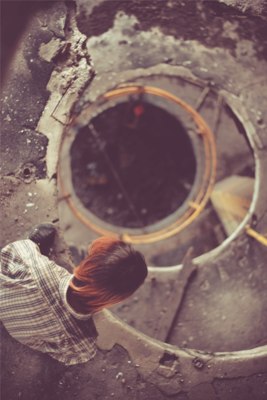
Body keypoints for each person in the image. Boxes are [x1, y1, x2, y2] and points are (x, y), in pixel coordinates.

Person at [0, 223, 148, 365]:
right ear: (115, 299)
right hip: (21, 335)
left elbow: (6, 256)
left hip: (5, 304)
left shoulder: (32, 265)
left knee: (46, 230)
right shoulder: (83, 346)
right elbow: (66, 356)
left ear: (87, 265)